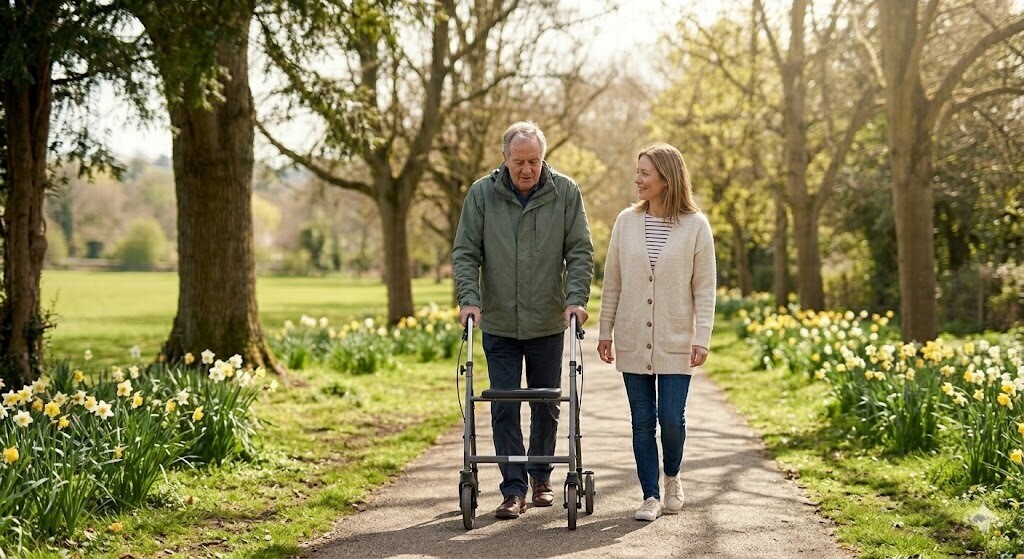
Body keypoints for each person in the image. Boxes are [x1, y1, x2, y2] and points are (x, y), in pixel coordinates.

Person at [452, 121, 594, 520]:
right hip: (498, 321)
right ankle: (512, 489)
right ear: (505, 159)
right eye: (519, 162)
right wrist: (470, 299)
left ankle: (542, 479)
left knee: (546, 404)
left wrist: (575, 300)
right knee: (503, 405)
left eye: (534, 160)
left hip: (548, 319)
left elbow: (580, 251)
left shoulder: (565, 192)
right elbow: (466, 252)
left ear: (543, 158)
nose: (527, 169)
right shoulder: (482, 194)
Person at [597, 142, 716, 522]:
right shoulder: (625, 222)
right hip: (632, 336)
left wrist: (702, 337)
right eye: (638, 172)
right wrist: (604, 331)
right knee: (642, 421)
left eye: (645, 173)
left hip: (676, 340)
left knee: (671, 418)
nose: (638, 180)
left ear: (667, 179)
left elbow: (705, 288)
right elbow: (611, 282)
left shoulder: (696, 226)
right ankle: (649, 495)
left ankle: (673, 476)